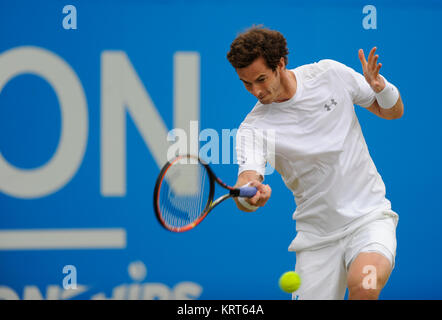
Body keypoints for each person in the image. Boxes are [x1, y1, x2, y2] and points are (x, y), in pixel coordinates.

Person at [226, 26, 403, 300]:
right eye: (246, 83)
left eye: (261, 79)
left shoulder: (329, 74)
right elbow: (247, 182)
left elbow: (392, 112)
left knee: (364, 286)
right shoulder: (253, 128)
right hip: (316, 240)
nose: (256, 91)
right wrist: (250, 196)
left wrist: (383, 89)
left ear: (281, 63)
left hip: (368, 218)